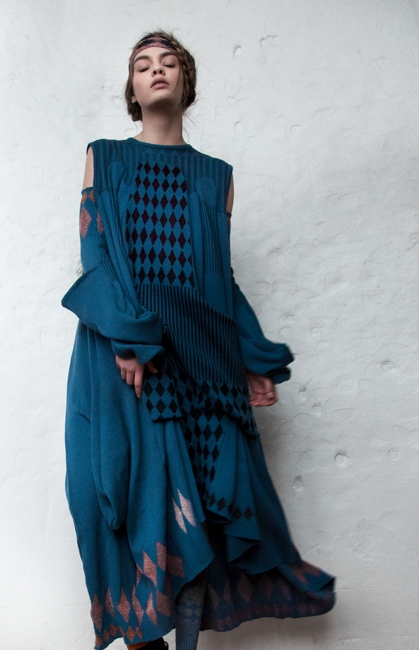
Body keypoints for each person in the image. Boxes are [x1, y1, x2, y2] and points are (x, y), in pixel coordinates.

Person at [62, 30, 335, 650]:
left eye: (168, 63)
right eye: (142, 65)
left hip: (199, 358)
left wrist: (249, 359)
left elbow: (219, 276)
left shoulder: (217, 176)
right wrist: (130, 340)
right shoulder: (105, 157)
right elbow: (96, 254)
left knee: (194, 509)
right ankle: (144, 639)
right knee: (119, 494)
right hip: (121, 353)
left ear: (186, 83)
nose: (156, 70)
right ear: (132, 90)